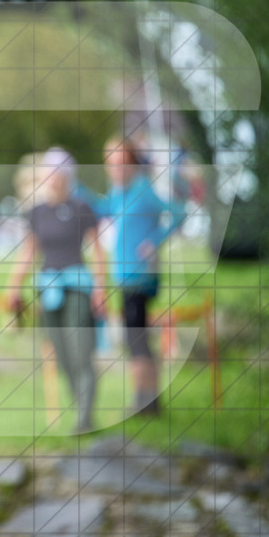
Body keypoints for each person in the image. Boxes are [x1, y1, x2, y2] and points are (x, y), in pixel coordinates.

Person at [7, 148, 106, 434]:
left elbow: (97, 251)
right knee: (61, 357)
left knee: (81, 353)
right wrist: (14, 287)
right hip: (48, 289)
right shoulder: (36, 213)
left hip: (77, 287)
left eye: (57, 173)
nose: (52, 178)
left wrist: (100, 288)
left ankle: (84, 418)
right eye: (48, 173)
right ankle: (81, 409)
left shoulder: (81, 208)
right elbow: (28, 252)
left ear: (66, 176)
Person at [88, 136, 186, 416]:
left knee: (135, 339)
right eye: (110, 164)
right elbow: (101, 209)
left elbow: (178, 213)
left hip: (141, 276)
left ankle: (142, 402)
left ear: (132, 163)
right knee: (138, 338)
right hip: (124, 276)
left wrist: (155, 240)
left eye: (120, 163)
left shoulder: (143, 189)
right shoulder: (119, 192)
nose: (115, 169)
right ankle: (150, 401)